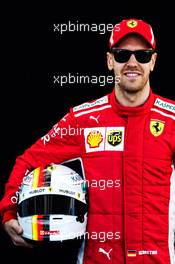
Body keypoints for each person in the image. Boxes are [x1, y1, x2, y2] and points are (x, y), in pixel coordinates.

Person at [0, 17, 175, 264]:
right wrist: (9, 210)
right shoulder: (83, 119)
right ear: (109, 60)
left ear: (153, 62)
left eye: (143, 55)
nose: (132, 63)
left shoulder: (172, 118)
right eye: (122, 54)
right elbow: (28, 161)